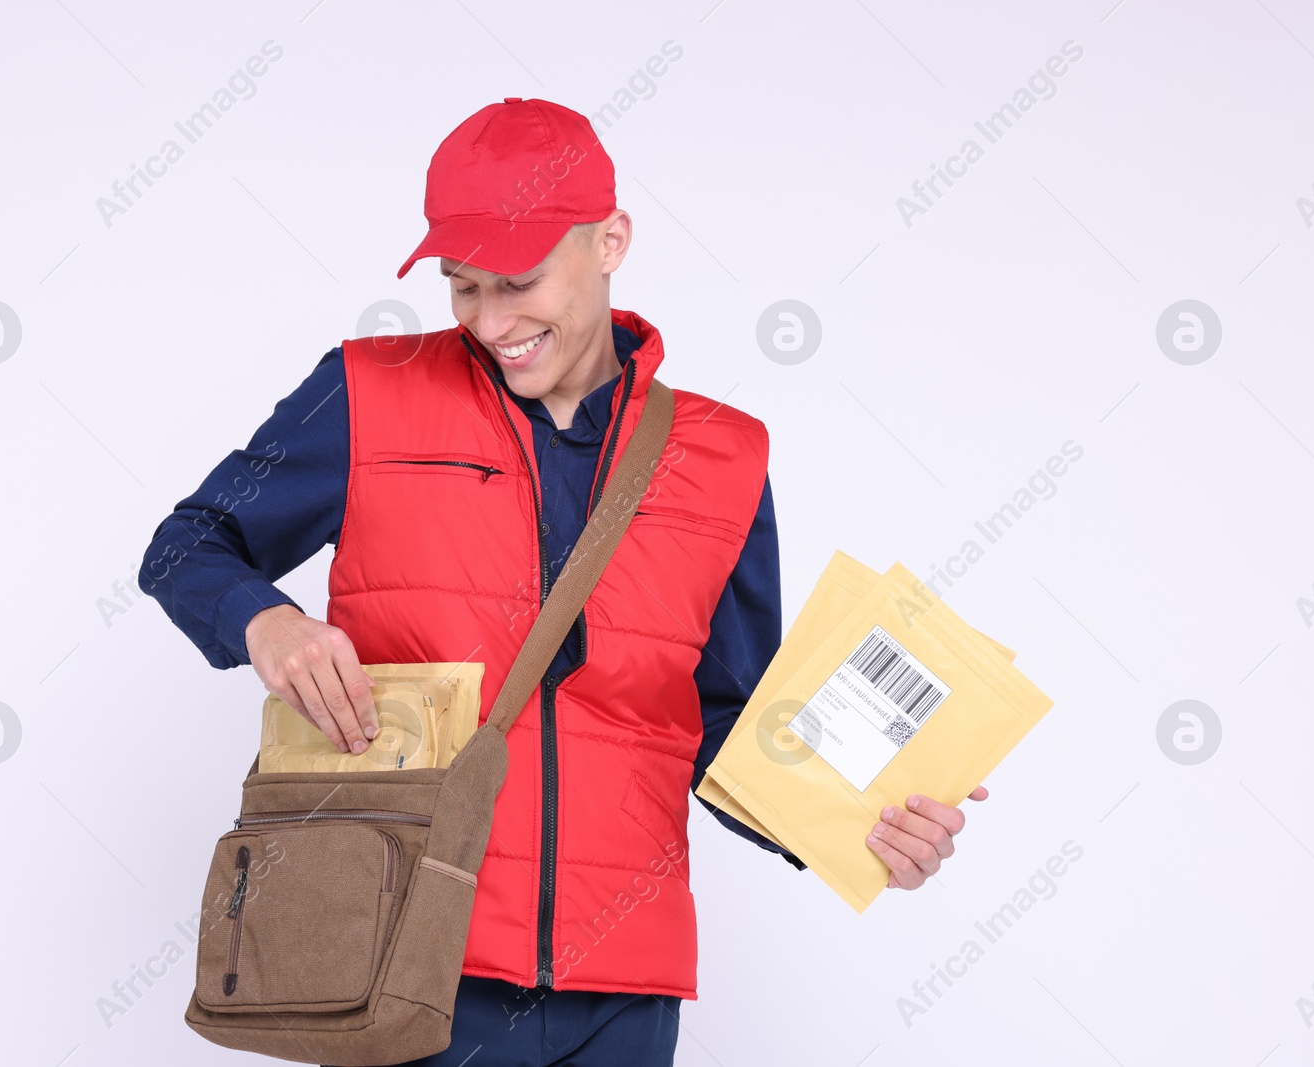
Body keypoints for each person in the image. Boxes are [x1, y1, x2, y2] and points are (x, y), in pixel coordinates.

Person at [138, 97, 986, 1067]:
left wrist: (857, 823)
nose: (490, 321)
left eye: (519, 282)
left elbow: (723, 721)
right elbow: (184, 543)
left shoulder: (724, 457)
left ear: (611, 240)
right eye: (462, 287)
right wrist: (264, 620)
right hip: (406, 950)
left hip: (624, 986)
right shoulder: (364, 391)